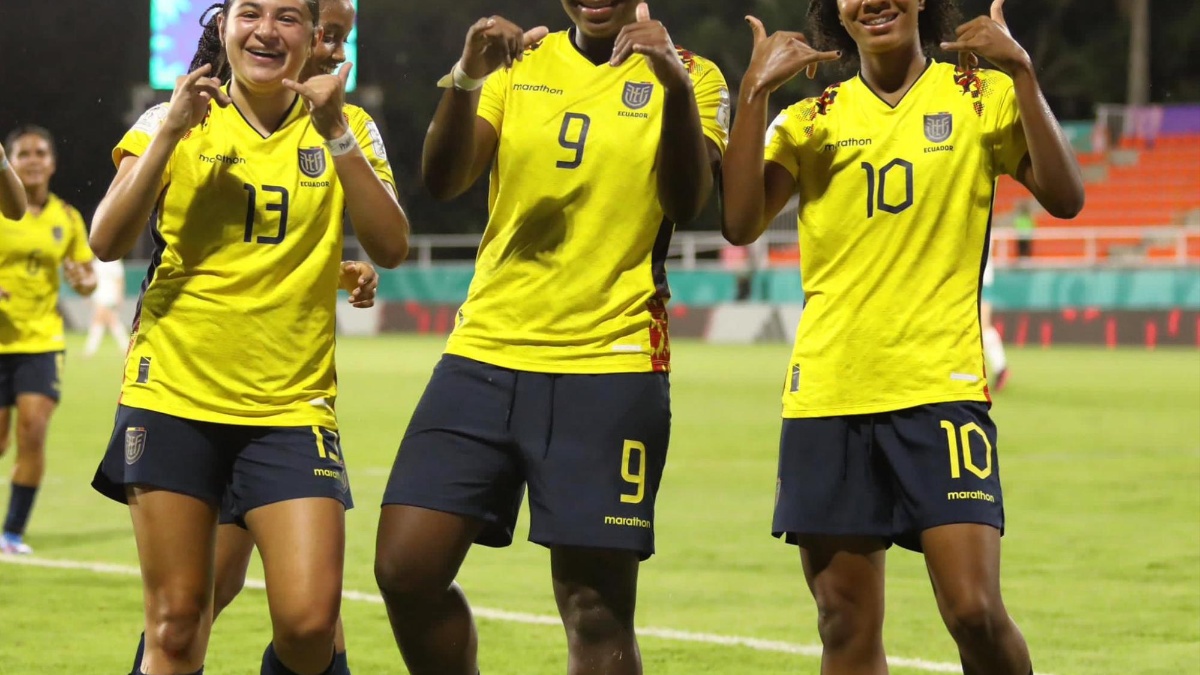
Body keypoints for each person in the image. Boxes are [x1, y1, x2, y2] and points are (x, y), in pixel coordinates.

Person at [720, 0, 1083, 673]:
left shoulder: (980, 95)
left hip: (940, 390)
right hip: (828, 396)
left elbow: (1066, 198)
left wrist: (1024, 73)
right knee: (845, 624)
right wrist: (753, 94)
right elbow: (739, 223)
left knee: (974, 610)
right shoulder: (808, 120)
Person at [373, 2, 728, 674]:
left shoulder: (694, 75)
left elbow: (688, 202)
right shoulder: (519, 66)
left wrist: (674, 88)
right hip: (484, 350)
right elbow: (445, 179)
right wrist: (466, 76)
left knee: (596, 609)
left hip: (611, 359)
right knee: (405, 570)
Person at [88, 0, 409, 673]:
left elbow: (391, 245)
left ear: (311, 36)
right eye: (251, 13)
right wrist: (171, 132)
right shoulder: (172, 118)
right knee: (177, 624)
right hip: (173, 394)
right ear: (224, 26)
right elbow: (107, 239)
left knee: (310, 624)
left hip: (290, 407)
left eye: (288, 17)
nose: (267, 29)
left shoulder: (348, 126)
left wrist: (336, 132)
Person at [0, 125, 97, 556]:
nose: (33, 160)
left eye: (41, 152)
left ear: (53, 163)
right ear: (10, 162)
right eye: (23, 153)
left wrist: (84, 281)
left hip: (42, 340)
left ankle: (11, 534)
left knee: (33, 431)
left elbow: (87, 279)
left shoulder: (68, 217)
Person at [83, 257, 130, 358]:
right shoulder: (96, 262)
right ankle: (126, 347)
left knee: (100, 319)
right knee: (110, 321)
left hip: (110, 295)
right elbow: (92, 279)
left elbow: (119, 280)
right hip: (98, 295)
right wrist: (89, 295)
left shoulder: (114, 262)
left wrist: (119, 296)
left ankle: (90, 350)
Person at [980, 253, 1009, 391]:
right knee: (982, 326)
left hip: (979, 274)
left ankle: (1000, 367)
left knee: (983, 325)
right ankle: (1000, 367)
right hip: (978, 273)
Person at [0, 139, 26, 221]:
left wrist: (1, 161)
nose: (33, 161)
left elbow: (15, 213)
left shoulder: (60, 209)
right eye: (24, 155)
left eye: (40, 154)